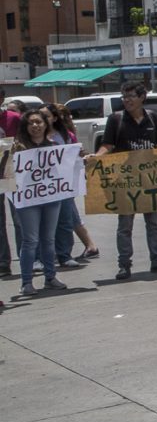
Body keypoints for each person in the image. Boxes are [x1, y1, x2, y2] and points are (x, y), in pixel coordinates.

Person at [94, 82, 157, 281]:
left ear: (142, 97)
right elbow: (107, 145)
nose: (127, 100)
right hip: (126, 181)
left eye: (131, 96)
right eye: (124, 97)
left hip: (150, 179)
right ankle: (124, 265)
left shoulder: (153, 118)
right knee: (125, 225)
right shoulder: (116, 119)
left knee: (154, 223)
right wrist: (95, 157)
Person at [12, 111, 67, 296]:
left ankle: (50, 277)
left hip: (51, 197)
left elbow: (66, 169)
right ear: (25, 127)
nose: (35, 126)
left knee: (48, 239)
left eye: (38, 122)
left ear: (45, 124)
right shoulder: (17, 148)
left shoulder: (54, 146)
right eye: (31, 123)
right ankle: (26, 282)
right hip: (27, 199)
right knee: (30, 240)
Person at [51, 104, 99, 258]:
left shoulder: (66, 135)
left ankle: (89, 246)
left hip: (65, 182)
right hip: (50, 183)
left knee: (69, 214)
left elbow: (75, 154)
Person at [39, 104, 83, 268]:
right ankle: (43, 257)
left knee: (65, 220)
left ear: (55, 118)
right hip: (41, 186)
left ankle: (64, 255)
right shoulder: (33, 136)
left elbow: (75, 156)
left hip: (62, 185)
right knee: (43, 223)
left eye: (46, 116)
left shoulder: (65, 135)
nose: (42, 119)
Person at [0, 87, 22, 276]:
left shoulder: (14, 118)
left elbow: (26, 140)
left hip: (13, 173)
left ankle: (26, 258)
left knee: (19, 218)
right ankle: (3, 263)